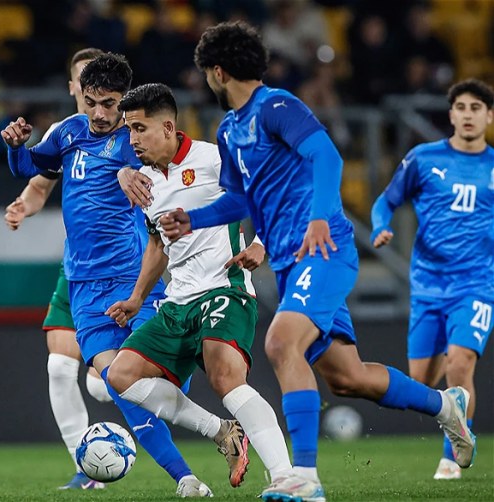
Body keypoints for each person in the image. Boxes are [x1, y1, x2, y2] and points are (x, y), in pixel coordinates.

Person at [150, 21, 475, 502]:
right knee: (348, 377)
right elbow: (240, 200)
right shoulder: (229, 131)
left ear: (217, 72)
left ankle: (303, 476)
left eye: (205, 74)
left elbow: (328, 157)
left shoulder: (276, 106)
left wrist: (321, 217)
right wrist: (191, 219)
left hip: (324, 250)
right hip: (288, 262)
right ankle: (446, 405)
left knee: (282, 342)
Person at [1, 53, 217, 497]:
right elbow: (28, 168)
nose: (100, 114)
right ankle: (187, 478)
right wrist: (15, 146)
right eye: (92, 102)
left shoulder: (136, 141)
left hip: (134, 280)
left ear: (124, 100)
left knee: (163, 382)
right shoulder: (66, 132)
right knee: (125, 391)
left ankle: (217, 429)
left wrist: (127, 171)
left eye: (110, 104)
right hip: (83, 289)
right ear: (81, 95)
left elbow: (162, 170)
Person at [104, 83, 294, 493]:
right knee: (121, 375)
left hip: (224, 289)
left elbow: (270, 193)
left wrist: (260, 244)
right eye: (128, 129)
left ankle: (285, 477)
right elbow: (157, 243)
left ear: (167, 127)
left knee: (225, 377)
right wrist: (137, 297)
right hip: (178, 303)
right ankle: (223, 431)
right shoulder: (145, 181)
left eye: (139, 128)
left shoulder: (212, 158)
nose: (131, 139)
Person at [2, 47, 113, 491]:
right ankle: (89, 469)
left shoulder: (131, 133)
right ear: (73, 87)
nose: (92, 92)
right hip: (76, 270)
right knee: (60, 369)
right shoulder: (65, 134)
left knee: (107, 384)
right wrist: (23, 205)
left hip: (125, 272)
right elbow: (39, 183)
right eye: (85, 82)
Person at [371, 78, 493, 481]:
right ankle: (450, 412)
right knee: (420, 382)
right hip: (427, 286)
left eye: (476, 108)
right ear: (451, 114)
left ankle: (451, 455)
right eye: (461, 108)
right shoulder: (424, 158)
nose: (468, 115)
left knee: (460, 363)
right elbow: (386, 201)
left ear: (489, 116)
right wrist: (380, 226)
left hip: (476, 285)